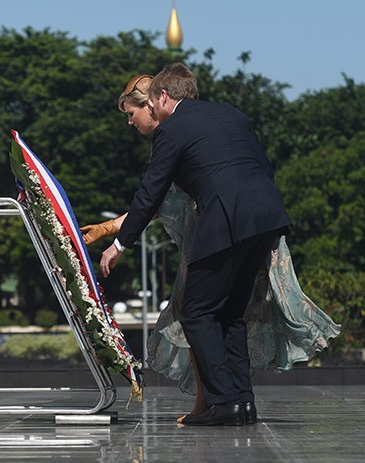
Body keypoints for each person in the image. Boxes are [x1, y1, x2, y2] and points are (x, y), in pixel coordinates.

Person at [83, 72, 340, 425]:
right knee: (230, 314)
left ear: (160, 96)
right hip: (267, 216)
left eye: (135, 112)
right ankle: (242, 403)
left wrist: (119, 244)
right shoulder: (231, 113)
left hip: (226, 222)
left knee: (197, 313)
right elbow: (262, 166)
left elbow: (151, 191)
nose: (136, 120)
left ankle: (223, 403)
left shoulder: (171, 131)